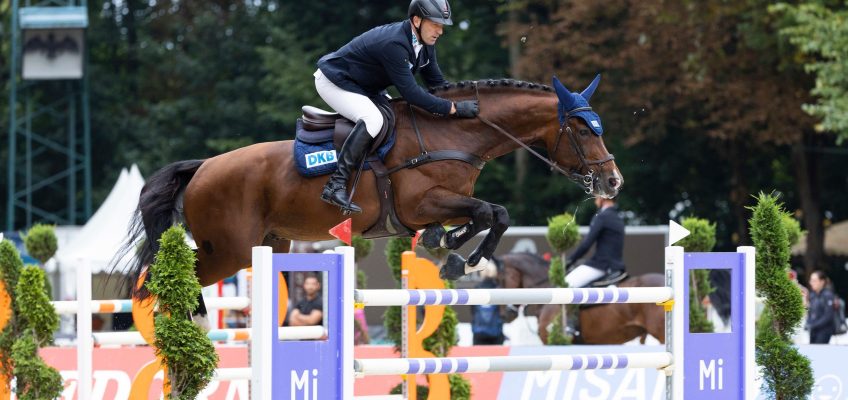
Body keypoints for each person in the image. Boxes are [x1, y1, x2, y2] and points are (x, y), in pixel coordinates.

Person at [314, 0, 480, 213]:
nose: (440, 31)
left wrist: (466, 105)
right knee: (374, 120)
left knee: (400, 118)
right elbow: (411, 93)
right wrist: (454, 109)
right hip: (335, 80)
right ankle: (335, 183)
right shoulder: (394, 44)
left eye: (442, 25)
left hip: (367, 86)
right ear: (417, 20)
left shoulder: (425, 46)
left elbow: (438, 86)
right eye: (435, 24)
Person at [564, 196, 625, 288]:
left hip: (601, 265)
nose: (595, 200)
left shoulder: (601, 216)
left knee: (564, 285)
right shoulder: (618, 217)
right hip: (616, 266)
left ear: (603, 198)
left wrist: (570, 260)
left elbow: (586, 244)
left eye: (596, 197)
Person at [471, 277, 505, 345]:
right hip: (496, 332)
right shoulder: (498, 289)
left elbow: (472, 310)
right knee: (496, 355)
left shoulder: (477, 289)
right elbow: (502, 311)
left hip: (478, 332)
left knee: (478, 355)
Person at [806, 270, 835, 344]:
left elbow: (829, 315)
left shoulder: (828, 295)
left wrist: (815, 324)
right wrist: (809, 323)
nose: (811, 283)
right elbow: (810, 311)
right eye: (811, 280)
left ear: (822, 282)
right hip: (813, 330)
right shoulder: (812, 295)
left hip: (824, 330)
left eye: (814, 280)